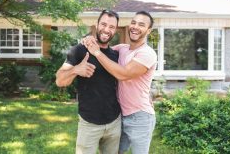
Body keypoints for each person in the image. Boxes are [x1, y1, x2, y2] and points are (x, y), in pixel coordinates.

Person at [83, 11, 157, 154]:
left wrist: (97, 53)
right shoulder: (122, 48)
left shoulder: (147, 53)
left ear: (148, 31)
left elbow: (123, 74)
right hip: (120, 115)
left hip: (140, 117)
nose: (135, 27)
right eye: (133, 22)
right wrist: (88, 39)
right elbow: (104, 46)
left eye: (141, 25)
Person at [55, 10, 121, 154]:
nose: (106, 30)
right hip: (89, 123)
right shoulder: (80, 50)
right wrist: (76, 69)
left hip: (114, 122)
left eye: (111, 27)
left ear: (115, 30)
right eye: (103, 24)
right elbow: (59, 80)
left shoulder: (116, 55)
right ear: (96, 25)